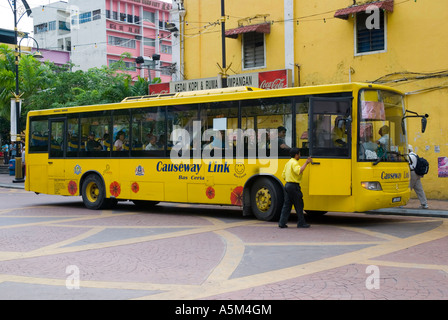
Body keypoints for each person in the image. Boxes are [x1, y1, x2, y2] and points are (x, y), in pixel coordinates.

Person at [278, 148, 312, 228]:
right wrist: (306, 162)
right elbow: (299, 171)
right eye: (299, 154)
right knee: (299, 205)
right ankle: (301, 223)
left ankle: (282, 223)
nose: (300, 156)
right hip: (294, 186)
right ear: (296, 155)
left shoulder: (288, 163)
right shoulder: (294, 163)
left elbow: (283, 175)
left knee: (287, 205)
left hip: (287, 185)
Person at [408, 145, 428, 209]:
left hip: (412, 173)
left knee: (408, 188)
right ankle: (424, 203)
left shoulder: (409, 156)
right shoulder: (415, 155)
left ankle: (401, 203)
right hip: (417, 173)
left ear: (408, 150)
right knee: (419, 189)